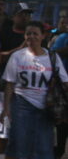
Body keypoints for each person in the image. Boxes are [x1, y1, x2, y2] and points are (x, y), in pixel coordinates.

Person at [0, 21, 68, 159]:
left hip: (46, 106)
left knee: (43, 146)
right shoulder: (18, 56)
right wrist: (6, 108)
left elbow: (65, 82)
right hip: (21, 104)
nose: (31, 37)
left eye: (35, 34)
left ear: (43, 36)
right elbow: (9, 84)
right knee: (18, 144)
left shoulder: (52, 57)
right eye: (28, 34)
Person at [0, 2, 32, 158]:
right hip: (5, 87)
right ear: (14, 16)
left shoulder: (35, 36)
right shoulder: (4, 34)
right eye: (22, 14)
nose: (25, 17)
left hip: (27, 90)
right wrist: (20, 48)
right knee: (2, 129)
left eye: (28, 14)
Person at [51, 24, 68, 158]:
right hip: (63, 86)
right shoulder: (63, 37)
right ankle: (60, 148)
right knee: (62, 121)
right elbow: (53, 54)